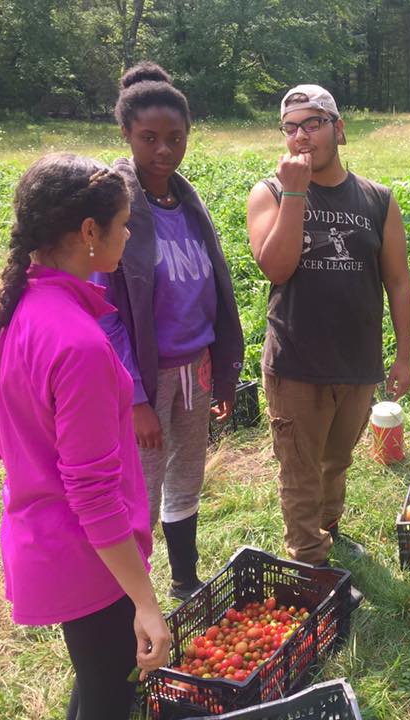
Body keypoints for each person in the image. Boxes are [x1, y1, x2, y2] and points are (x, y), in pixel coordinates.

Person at [0, 153, 171, 720]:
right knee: (113, 696)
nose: (128, 233)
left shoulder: (9, 313)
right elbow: (92, 493)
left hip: (45, 538)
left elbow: (8, 436)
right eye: (124, 222)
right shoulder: (78, 344)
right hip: (90, 558)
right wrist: (145, 601)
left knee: (97, 683)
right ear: (89, 232)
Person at [246, 84, 410, 568]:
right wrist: (296, 191)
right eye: (291, 127)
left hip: (357, 363)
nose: (302, 136)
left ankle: (330, 529)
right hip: (296, 360)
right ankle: (309, 562)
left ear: (339, 130)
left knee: (336, 462)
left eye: (313, 123)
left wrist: (402, 356)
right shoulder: (270, 193)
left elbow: (398, 282)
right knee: (299, 470)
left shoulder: (377, 199)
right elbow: (276, 267)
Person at [94, 62, 245, 600]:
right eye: (149, 138)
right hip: (145, 376)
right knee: (141, 483)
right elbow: (106, 313)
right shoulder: (116, 207)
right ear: (127, 135)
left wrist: (219, 369)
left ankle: (184, 579)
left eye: (175, 138)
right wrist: (134, 397)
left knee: (186, 476)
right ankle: (131, 598)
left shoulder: (187, 200)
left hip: (195, 368)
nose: (163, 150)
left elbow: (211, 288)